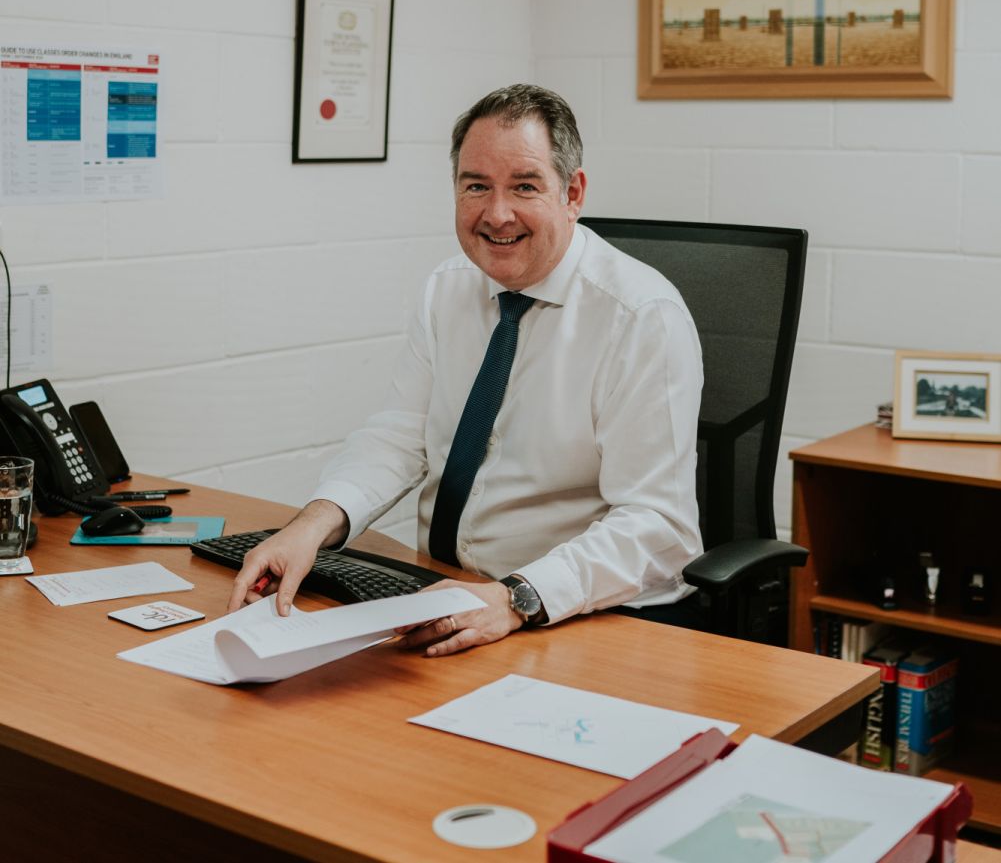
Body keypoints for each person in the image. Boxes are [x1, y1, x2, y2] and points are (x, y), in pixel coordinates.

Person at [228, 84, 704, 654]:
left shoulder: (640, 317)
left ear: (572, 192)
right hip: (450, 596)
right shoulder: (448, 288)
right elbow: (401, 434)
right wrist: (311, 526)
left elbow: (659, 527)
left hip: (580, 615)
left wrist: (518, 598)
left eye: (524, 187)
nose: (496, 214)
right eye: (476, 186)